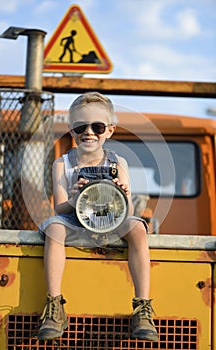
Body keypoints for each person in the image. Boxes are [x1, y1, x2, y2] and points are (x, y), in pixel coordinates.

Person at [37, 92, 158, 342]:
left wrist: (123, 195)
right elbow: (59, 208)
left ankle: (143, 308)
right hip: (74, 220)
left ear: (110, 130)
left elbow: (130, 212)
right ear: (72, 131)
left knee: (137, 228)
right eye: (81, 127)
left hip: (111, 219)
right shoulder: (62, 164)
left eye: (97, 126)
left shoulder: (119, 161)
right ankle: (54, 305)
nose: (89, 132)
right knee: (55, 229)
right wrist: (73, 197)